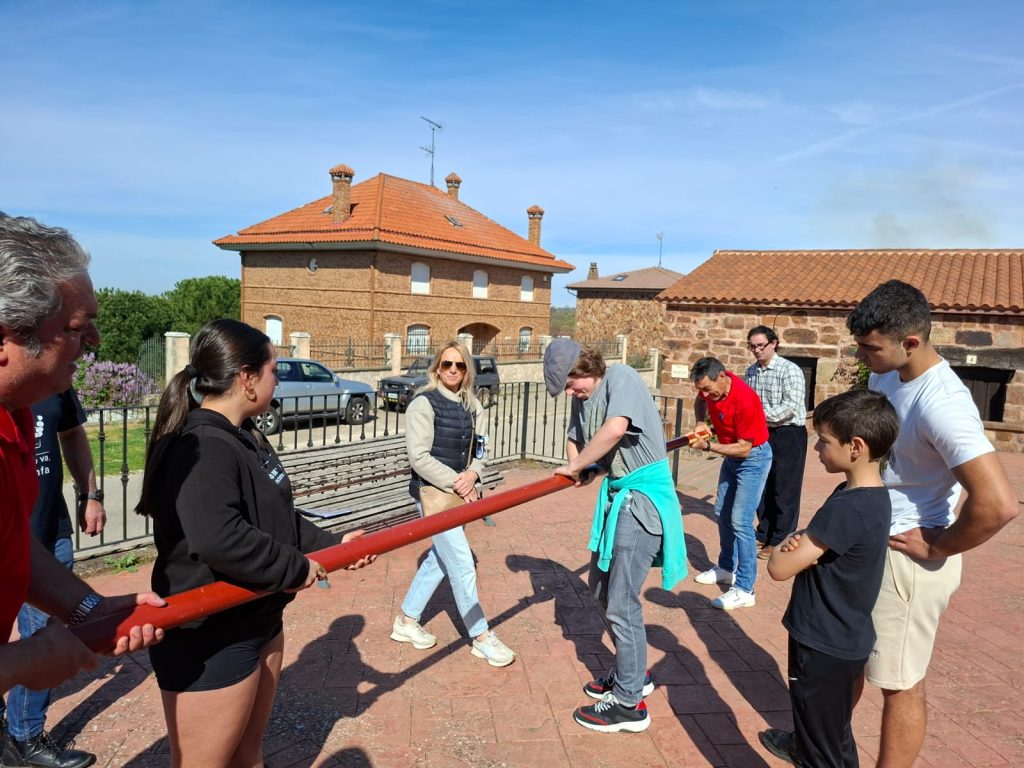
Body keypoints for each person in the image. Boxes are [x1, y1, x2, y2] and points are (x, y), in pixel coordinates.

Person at [135, 318, 374, 768]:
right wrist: (297, 569)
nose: (277, 381)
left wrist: (336, 545)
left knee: (248, 755)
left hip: (258, 618)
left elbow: (278, 519)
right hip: (211, 637)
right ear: (246, 378)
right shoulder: (202, 446)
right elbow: (220, 538)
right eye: (273, 371)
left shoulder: (245, 437)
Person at [0, 214, 164, 751]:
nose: (94, 340)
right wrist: (23, 661)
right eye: (76, 326)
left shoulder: (16, 415)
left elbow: (11, 546)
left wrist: (88, 608)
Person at [845, 280, 1018, 768]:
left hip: (906, 562)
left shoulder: (942, 403)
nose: (862, 356)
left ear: (911, 342)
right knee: (848, 659)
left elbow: (999, 504)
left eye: (870, 347)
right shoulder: (888, 375)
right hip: (873, 544)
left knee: (900, 683)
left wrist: (937, 546)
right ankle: (821, 747)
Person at [544, 339, 686, 733]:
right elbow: (576, 437)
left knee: (622, 602)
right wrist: (582, 466)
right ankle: (631, 672)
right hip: (619, 496)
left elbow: (615, 428)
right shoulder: (583, 397)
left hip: (643, 500)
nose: (570, 393)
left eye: (571, 383)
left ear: (585, 367)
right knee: (602, 592)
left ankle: (628, 704)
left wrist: (577, 465)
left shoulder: (620, 376)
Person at [758, 389, 899, 767]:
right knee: (834, 735)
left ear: (856, 447)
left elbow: (778, 568)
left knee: (820, 749)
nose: (817, 448)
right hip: (846, 637)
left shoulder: (848, 507)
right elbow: (812, 543)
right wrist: (804, 540)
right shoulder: (870, 495)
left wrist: (788, 542)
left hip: (821, 643)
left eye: (824, 441)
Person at [390, 341, 516, 668]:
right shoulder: (423, 404)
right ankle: (481, 637)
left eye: (459, 365)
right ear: (436, 368)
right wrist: (459, 481)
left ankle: (407, 620)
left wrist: (473, 474)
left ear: (467, 370)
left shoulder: (473, 405)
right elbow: (419, 457)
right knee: (461, 562)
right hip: (432, 496)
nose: (453, 370)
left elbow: (481, 449)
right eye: (447, 364)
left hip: (458, 494)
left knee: (440, 559)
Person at [0, 388, 106, 768]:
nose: (78, 361)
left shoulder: (46, 389)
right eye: (67, 360)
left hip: (48, 533)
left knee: (45, 629)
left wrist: (90, 495)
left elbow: (72, 433)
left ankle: (24, 737)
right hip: (17, 540)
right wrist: (29, 658)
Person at [689, 356, 772, 610]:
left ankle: (746, 589)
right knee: (721, 513)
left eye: (707, 389)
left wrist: (708, 446)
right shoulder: (709, 390)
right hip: (732, 459)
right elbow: (700, 401)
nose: (705, 394)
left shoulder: (745, 400)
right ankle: (726, 568)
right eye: (701, 389)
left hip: (753, 459)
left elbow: (745, 449)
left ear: (722, 377)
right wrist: (701, 421)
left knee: (741, 521)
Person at [744, 325, 807, 560]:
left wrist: (758, 416)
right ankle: (765, 531)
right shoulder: (751, 372)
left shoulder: (790, 370)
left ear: (773, 343)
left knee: (785, 488)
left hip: (788, 433)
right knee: (763, 485)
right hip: (762, 433)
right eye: (752, 346)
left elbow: (790, 406)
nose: (757, 350)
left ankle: (781, 538)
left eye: (761, 345)